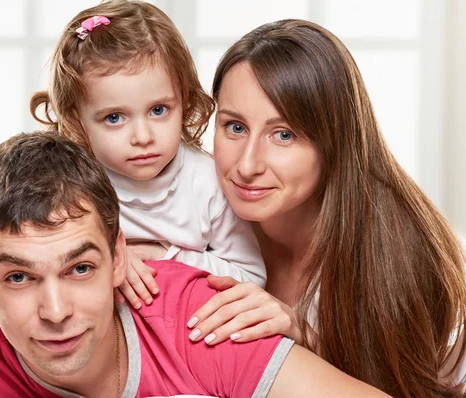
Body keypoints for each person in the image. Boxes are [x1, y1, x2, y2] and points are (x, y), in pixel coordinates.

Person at [0, 131, 388, 397]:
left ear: (120, 258)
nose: (55, 311)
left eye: (79, 269)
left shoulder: (200, 317)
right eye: (20, 277)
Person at [182, 19, 466, 397]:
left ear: (334, 140)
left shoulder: (401, 260)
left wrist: (305, 337)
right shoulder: (198, 215)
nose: (247, 165)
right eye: (234, 127)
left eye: (283, 135)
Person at [30, 0, 266, 311]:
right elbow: (41, 262)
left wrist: (167, 257)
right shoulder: (70, 184)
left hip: (187, 327)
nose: (143, 137)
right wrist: (109, 264)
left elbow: (251, 278)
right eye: (115, 118)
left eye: (158, 110)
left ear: (184, 101)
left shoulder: (206, 181)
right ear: (77, 121)